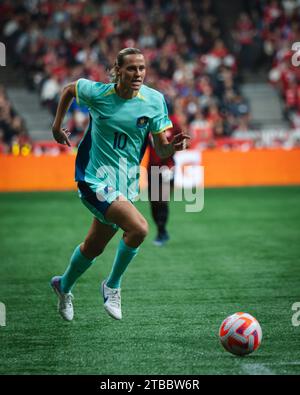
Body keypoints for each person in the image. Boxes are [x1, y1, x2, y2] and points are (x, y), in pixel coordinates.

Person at [50, 47, 189, 321]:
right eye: (131, 68)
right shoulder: (99, 94)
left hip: (125, 186)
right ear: (118, 71)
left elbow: (160, 151)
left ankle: (62, 285)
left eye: (141, 68)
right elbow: (68, 89)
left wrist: (173, 147)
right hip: (92, 178)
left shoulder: (155, 101)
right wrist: (57, 127)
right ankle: (112, 285)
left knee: (94, 247)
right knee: (139, 229)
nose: (138, 74)